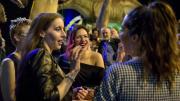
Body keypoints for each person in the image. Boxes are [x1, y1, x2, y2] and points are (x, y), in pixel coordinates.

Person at [94, 1, 180, 100]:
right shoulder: (177, 72)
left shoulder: (118, 73)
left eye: (122, 29)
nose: (119, 35)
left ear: (134, 37)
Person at [16, 13, 84, 101]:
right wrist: (73, 72)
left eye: (63, 29)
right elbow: (49, 98)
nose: (64, 34)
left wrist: (70, 93)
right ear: (42, 32)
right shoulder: (41, 54)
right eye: (58, 29)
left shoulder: (42, 54)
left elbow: (45, 92)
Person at [58, 25, 104, 100]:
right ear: (72, 40)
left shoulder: (97, 57)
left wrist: (90, 93)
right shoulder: (63, 58)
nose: (83, 40)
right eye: (79, 37)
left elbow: (102, 84)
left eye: (85, 36)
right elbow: (60, 82)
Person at [0, 17, 31, 101]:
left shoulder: (31, 60)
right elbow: (9, 98)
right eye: (29, 34)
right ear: (16, 37)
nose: (32, 38)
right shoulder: (8, 62)